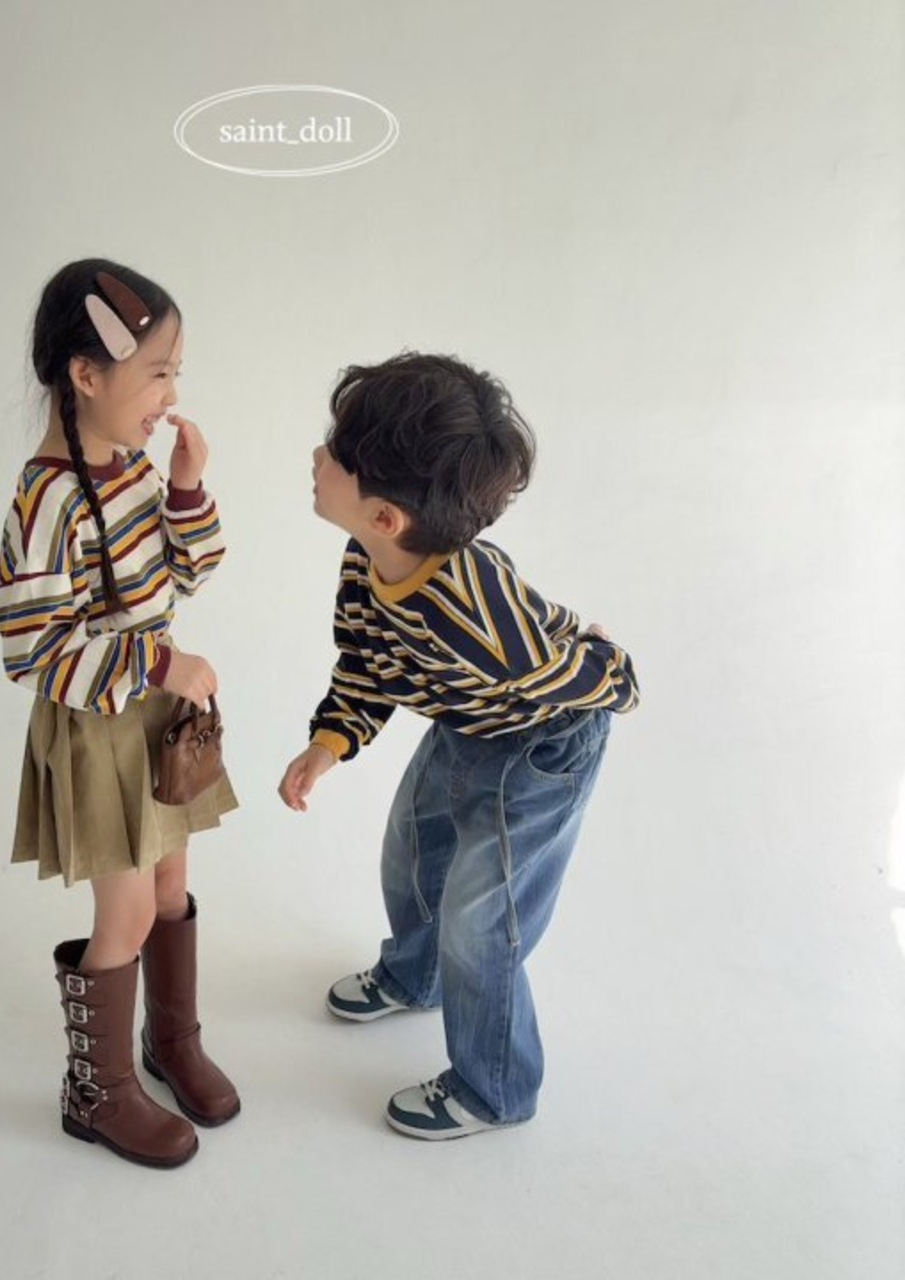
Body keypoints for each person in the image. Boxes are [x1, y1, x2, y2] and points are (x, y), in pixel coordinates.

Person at [279, 353, 639, 1140]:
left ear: (387, 516)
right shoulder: (367, 558)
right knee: (412, 852)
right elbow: (367, 662)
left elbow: (568, 674)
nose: (316, 456)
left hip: (546, 742)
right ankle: (418, 975)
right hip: (470, 722)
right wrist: (330, 742)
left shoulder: (473, 611)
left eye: (336, 455)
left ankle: (495, 1086)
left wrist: (610, 665)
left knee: (481, 919)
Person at [0, 259, 239, 1169]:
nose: (171, 393)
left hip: (155, 717)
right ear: (86, 375)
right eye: (158, 372)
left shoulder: (129, 466)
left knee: (170, 887)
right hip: (98, 728)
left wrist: (186, 487)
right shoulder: (46, 498)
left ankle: (170, 1043)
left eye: (176, 371)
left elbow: (185, 574)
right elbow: (33, 648)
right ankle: (96, 1093)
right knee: (127, 914)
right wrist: (162, 662)